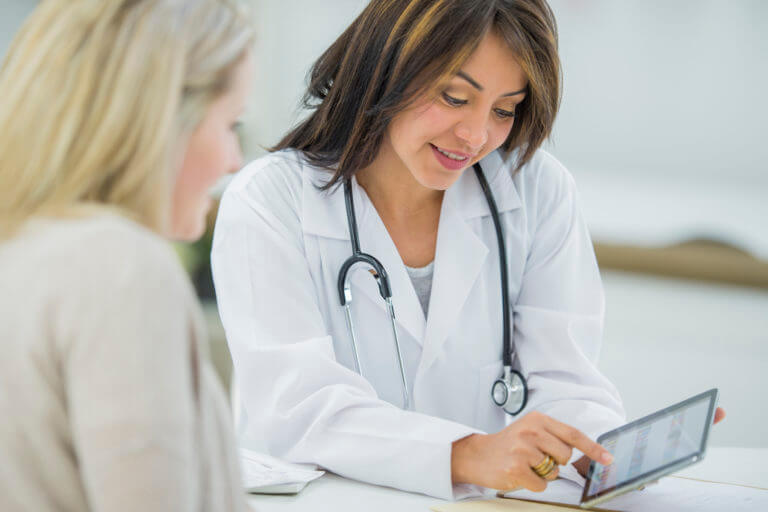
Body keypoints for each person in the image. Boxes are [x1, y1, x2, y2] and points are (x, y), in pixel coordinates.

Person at [211, 0, 723, 500]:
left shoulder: (534, 190)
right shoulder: (270, 201)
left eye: (504, 109)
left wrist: (597, 452)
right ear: (383, 70)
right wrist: (464, 454)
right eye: (455, 97)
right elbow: (298, 407)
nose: (476, 136)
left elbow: (564, 378)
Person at [0, 1, 254, 510]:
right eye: (230, 124)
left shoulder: (22, 250)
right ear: (164, 118)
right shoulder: (122, 266)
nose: (234, 160)